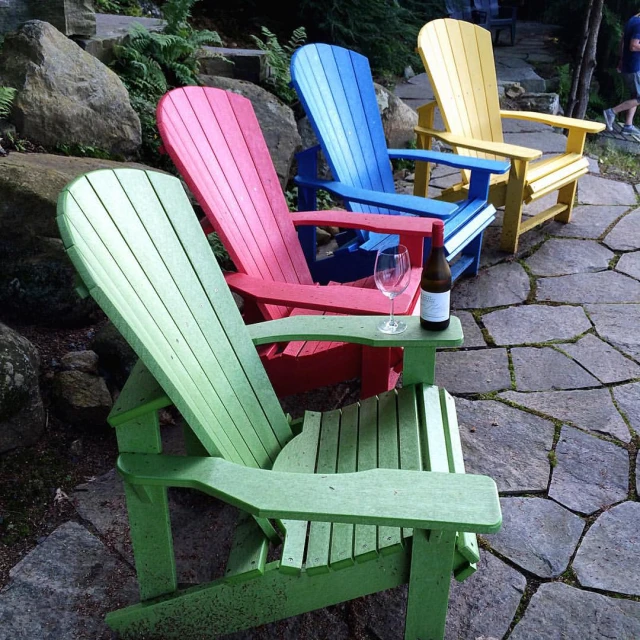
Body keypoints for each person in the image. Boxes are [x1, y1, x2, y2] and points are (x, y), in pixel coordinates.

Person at [604, 12, 640, 135]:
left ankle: (628, 126)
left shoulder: (633, 19)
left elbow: (623, 40)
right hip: (635, 66)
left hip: (629, 64)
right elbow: (634, 45)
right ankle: (612, 112)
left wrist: (621, 59)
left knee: (635, 95)